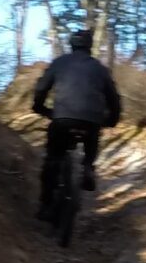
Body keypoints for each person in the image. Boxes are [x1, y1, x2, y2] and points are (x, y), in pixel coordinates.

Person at [32, 28, 122, 212]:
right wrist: (112, 119)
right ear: (90, 46)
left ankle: (45, 203)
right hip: (91, 120)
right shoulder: (100, 68)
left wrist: (39, 107)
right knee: (92, 137)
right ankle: (88, 166)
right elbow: (114, 98)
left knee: (52, 157)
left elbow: (41, 88)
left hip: (62, 117)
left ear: (71, 44)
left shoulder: (60, 63)